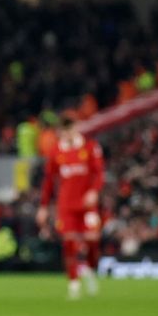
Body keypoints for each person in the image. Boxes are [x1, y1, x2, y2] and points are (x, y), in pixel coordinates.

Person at [37, 114, 106, 300]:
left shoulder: (90, 147)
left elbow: (99, 173)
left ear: (76, 128)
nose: (67, 133)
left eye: (70, 129)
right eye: (64, 130)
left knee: (92, 240)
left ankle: (90, 271)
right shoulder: (56, 152)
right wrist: (43, 206)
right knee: (69, 243)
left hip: (87, 205)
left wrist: (94, 191)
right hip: (66, 205)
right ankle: (73, 284)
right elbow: (49, 181)